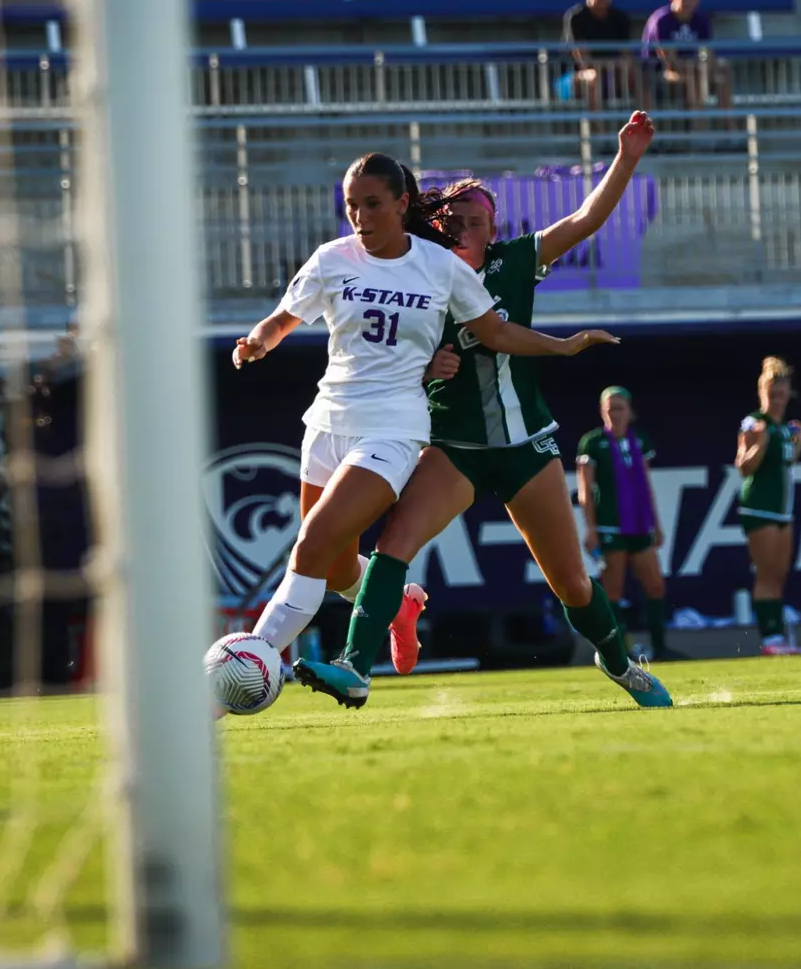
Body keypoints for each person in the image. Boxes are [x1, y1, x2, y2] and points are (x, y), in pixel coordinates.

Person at [293, 114, 671, 710]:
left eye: (478, 221)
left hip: (525, 446)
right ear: (439, 224)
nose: (467, 229)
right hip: (453, 446)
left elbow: (587, 220)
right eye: (457, 221)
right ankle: (354, 666)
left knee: (571, 583)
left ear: (494, 228)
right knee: (394, 544)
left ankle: (622, 662)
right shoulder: (412, 269)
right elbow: (380, 363)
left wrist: (625, 157)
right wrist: (425, 368)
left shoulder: (514, 262)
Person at [233, 153, 617, 664]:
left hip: (396, 429)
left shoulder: (441, 266)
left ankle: (250, 664)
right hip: (328, 421)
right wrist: (258, 340)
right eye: (352, 206)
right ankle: (396, 608)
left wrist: (563, 346)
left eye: (372, 204)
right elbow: (282, 319)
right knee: (336, 567)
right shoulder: (332, 258)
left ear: (401, 203)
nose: (361, 217)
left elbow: (496, 331)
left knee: (311, 546)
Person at [579, 386, 675, 660]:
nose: (615, 414)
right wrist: (591, 529)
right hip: (610, 525)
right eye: (610, 408)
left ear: (630, 412)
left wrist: (656, 523)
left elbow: (645, 484)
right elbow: (585, 489)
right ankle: (618, 652)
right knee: (613, 590)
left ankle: (660, 647)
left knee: (655, 585)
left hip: (640, 523)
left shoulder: (639, 441)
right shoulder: (593, 442)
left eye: (620, 408)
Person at [733, 357, 801, 657]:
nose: (777, 399)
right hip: (759, 507)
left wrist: (799, 443)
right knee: (765, 573)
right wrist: (760, 443)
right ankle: (770, 637)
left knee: (779, 573)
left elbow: (786, 465)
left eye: (782, 392)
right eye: (772, 393)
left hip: (782, 509)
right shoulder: (754, 422)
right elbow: (744, 466)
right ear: (762, 393)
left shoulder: (786, 429)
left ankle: (777, 635)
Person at [640, 0, 733, 123]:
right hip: (659, 73)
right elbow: (668, 59)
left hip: (693, 69)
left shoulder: (701, 20)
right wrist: (694, 70)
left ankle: (730, 129)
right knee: (692, 78)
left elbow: (707, 52)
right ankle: (698, 132)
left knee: (722, 73)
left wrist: (708, 73)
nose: (688, 1)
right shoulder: (662, 20)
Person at [563, 0, 639, 112]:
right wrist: (612, 64)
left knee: (638, 77)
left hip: (612, 73)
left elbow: (626, 57)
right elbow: (584, 61)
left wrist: (619, 66)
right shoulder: (576, 17)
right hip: (574, 77)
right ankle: (598, 133)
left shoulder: (621, 18)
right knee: (593, 77)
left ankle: (646, 127)